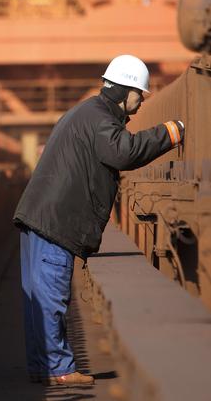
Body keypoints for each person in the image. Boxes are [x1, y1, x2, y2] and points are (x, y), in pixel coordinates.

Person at [13, 55, 185, 386]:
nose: (141, 103)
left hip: (40, 215)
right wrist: (170, 133)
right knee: (49, 295)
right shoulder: (101, 119)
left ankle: (44, 366)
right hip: (55, 219)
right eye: (140, 95)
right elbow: (124, 152)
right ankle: (58, 369)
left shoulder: (87, 112)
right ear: (127, 90)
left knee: (37, 296)